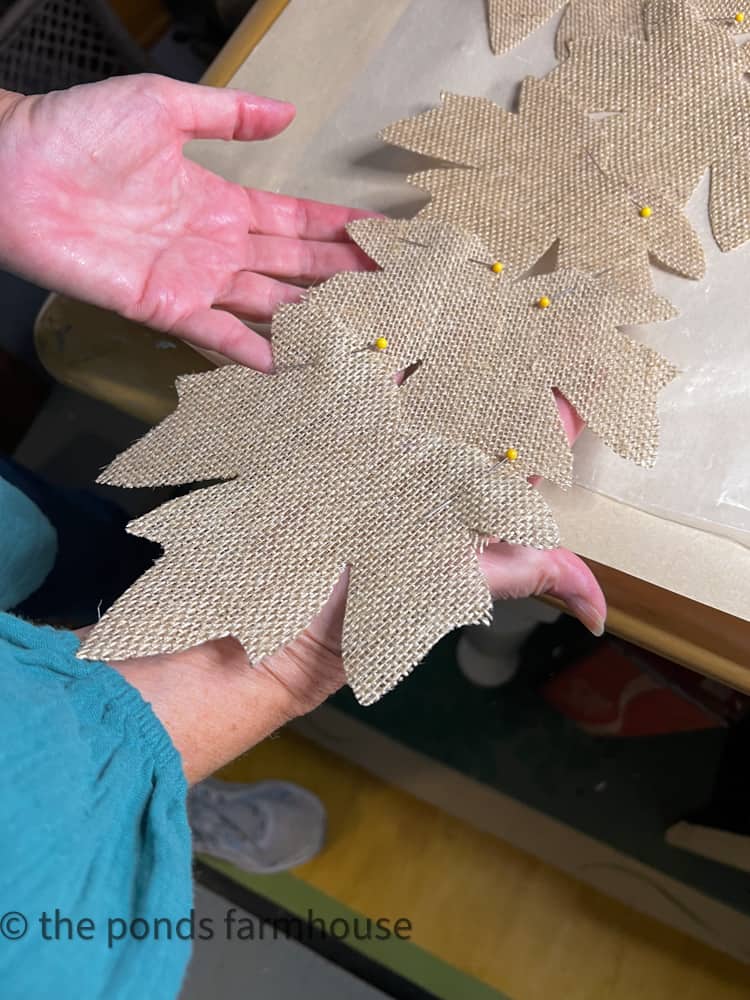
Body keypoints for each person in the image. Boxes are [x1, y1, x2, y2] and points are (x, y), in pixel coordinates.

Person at [0, 74, 606, 998]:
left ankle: (150, 778)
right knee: (116, 661)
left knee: (78, 560)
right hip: (53, 836)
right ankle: (148, 807)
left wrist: (10, 141)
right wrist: (252, 676)